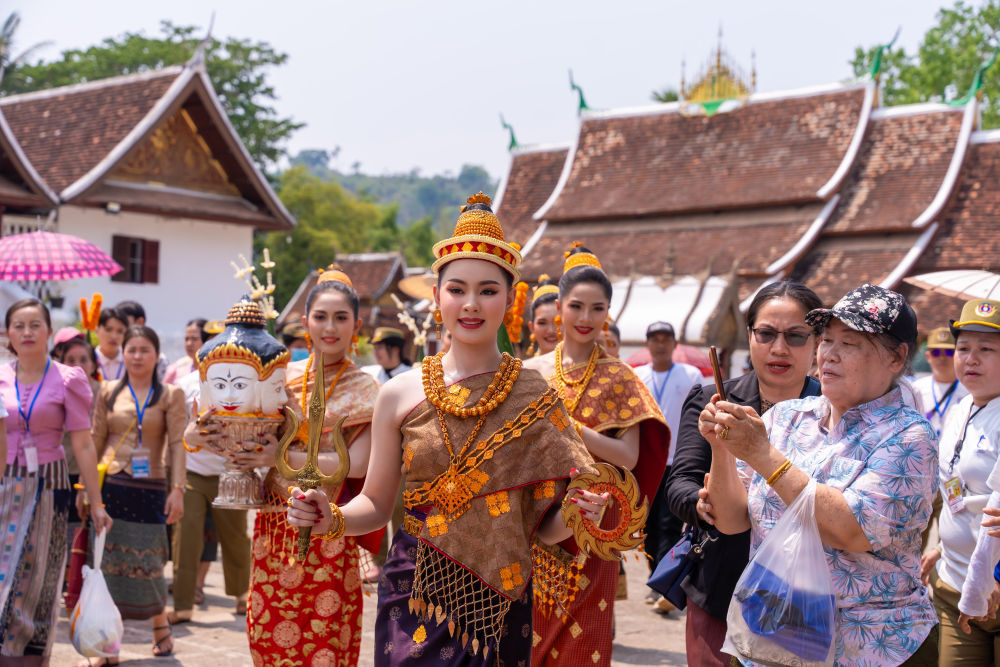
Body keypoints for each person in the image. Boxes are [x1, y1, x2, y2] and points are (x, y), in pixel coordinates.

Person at [287, 193, 603, 666]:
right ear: (437, 298)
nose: (471, 304)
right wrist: (328, 515)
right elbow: (375, 505)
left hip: (500, 599)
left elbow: (542, 528)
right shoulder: (398, 393)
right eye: (457, 289)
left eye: (488, 290)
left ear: (509, 299)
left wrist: (581, 515)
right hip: (413, 591)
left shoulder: (536, 396)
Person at [698, 284, 937, 666]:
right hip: (775, 638)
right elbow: (730, 520)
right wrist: (722, 448)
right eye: (825, 340)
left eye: (851, 343)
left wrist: (761, 454)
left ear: (897, 358)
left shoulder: (910, 436)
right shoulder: (785, 417)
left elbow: (851, 529)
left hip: (871, 647)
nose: (829, 355)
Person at [185, 266, 381, 666]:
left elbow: (358, 465)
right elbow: (209, 420)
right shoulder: (278, 377)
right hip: (273, 527)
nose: (330, 327)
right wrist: (198, 432)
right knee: (268, 633)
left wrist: (278, 457)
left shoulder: (366, 389)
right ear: (305, 321)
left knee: (325, 638)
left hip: (329, 528)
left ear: (356, 325)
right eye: (321, 317)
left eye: (341, 318)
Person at [524, 243, 669, 666]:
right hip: (532, 515)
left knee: (583, 644)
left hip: (593, 517)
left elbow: (627, 455)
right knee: (526, 639)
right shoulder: (530, 373)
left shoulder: (619, 377)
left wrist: (570, 427)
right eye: (576, 307)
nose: (586, 318)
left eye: (597, 308)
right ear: (558, 309)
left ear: (608, 312)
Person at [665, 281, 823, 666]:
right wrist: (700, 504)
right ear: (750, 335)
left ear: (817, 342)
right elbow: (681, 480)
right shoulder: (712, 399)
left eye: (796, 336)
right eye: (766, 334)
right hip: (721, 580)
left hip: (801, 588)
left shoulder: (830, 408)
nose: (780, 348)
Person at [0, 299, 111, 663]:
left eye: (35, 324)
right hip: (4, 484)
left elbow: (82, 442)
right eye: (19, 325)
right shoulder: (1, 377)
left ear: (49, 330)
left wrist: (96, 503)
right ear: (8, 333)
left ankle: (28, 656)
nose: (27, 332)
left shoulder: (68, 378)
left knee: (38, 574)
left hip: (48, 486)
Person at [87, 325, 186, 665]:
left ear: (156, 355)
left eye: (145, 349)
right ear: (123, 352)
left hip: (151, 488)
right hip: (112, 486)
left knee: (151, 563)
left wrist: (177, 490)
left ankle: (161, 626)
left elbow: (176, 444)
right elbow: (96, 438)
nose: (138, 356)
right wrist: (87, 488)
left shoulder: (170, 395)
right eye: (132, 349)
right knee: (108, 564)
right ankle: (107, 646)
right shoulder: (108, 391)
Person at [920, 297, 1000, 663]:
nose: (971, 358)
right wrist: (941, 547)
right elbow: (958, 490)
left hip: (994, 589)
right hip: (952, 584)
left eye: (987, 349)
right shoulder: (959, 409)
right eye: (963, 347)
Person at [169, 317, 251, 624]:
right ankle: (182, 605)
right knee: (186, 536)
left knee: (235, 538)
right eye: (213, 343)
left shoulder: (247, 383)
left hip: (232, 470)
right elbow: (176, 433)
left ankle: (244, 597)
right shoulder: (185, 385)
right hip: (193, 471)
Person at [634, 320, 704, 609]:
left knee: (670, 522)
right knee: (647, 524)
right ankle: (655, 576)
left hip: (678, 459)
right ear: (648, 343)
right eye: (655, 339)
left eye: (666, 339)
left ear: (674, 344)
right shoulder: (637, 376)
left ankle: (663, 584)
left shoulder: (690, 374)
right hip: (647, 461)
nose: (660, 344)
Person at [912, 327, 969, 438]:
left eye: (949, 352)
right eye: (936, 352)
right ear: (928, 356)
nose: (942, 357)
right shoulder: (916, 389)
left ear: (957, 355)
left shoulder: (969, 391)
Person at [163, 318, 208, 385]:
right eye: (186, 339)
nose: (189, 343)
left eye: (194, 339)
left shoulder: (215, 373)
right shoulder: (175, 372)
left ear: (208, 340)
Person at [527, 274, 560, 357]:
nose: (551, 331)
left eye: (558, 322)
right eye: (542, 323)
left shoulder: (587, 367)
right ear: (532, 327)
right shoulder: (523, 369)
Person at [95, 307, 127, 382]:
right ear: (97, 330)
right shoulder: (88, 360)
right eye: (108, 330)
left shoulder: (130, 361)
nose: (114, 336)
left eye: (120, 331)